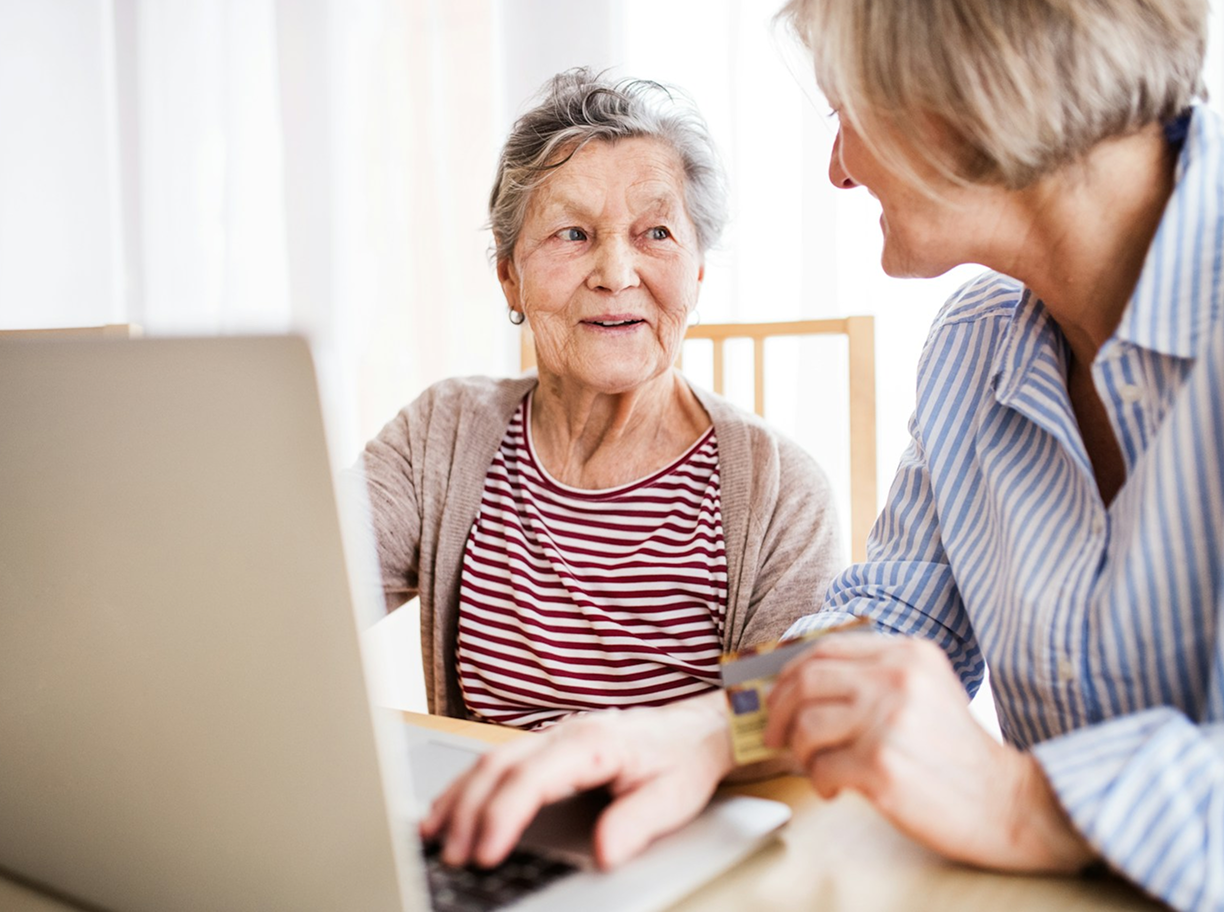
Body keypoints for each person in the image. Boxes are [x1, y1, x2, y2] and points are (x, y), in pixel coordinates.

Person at [421, 2, 1224, 909]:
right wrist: (697, 732)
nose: (839, 168)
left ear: (967, 94)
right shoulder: (978, 345)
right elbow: (887, 623)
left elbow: (1011, 794)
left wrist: (1026, 803)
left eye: (846, 110)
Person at [355, 68, 842, 731]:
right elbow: (297, 586)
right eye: (573, 234)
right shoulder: (442, 433)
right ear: (509, 276)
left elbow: (786, 729)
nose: (615, 274)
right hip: (491, 796)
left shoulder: (784, 492)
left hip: (680, 800)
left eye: (657, 233)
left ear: (698, 271)